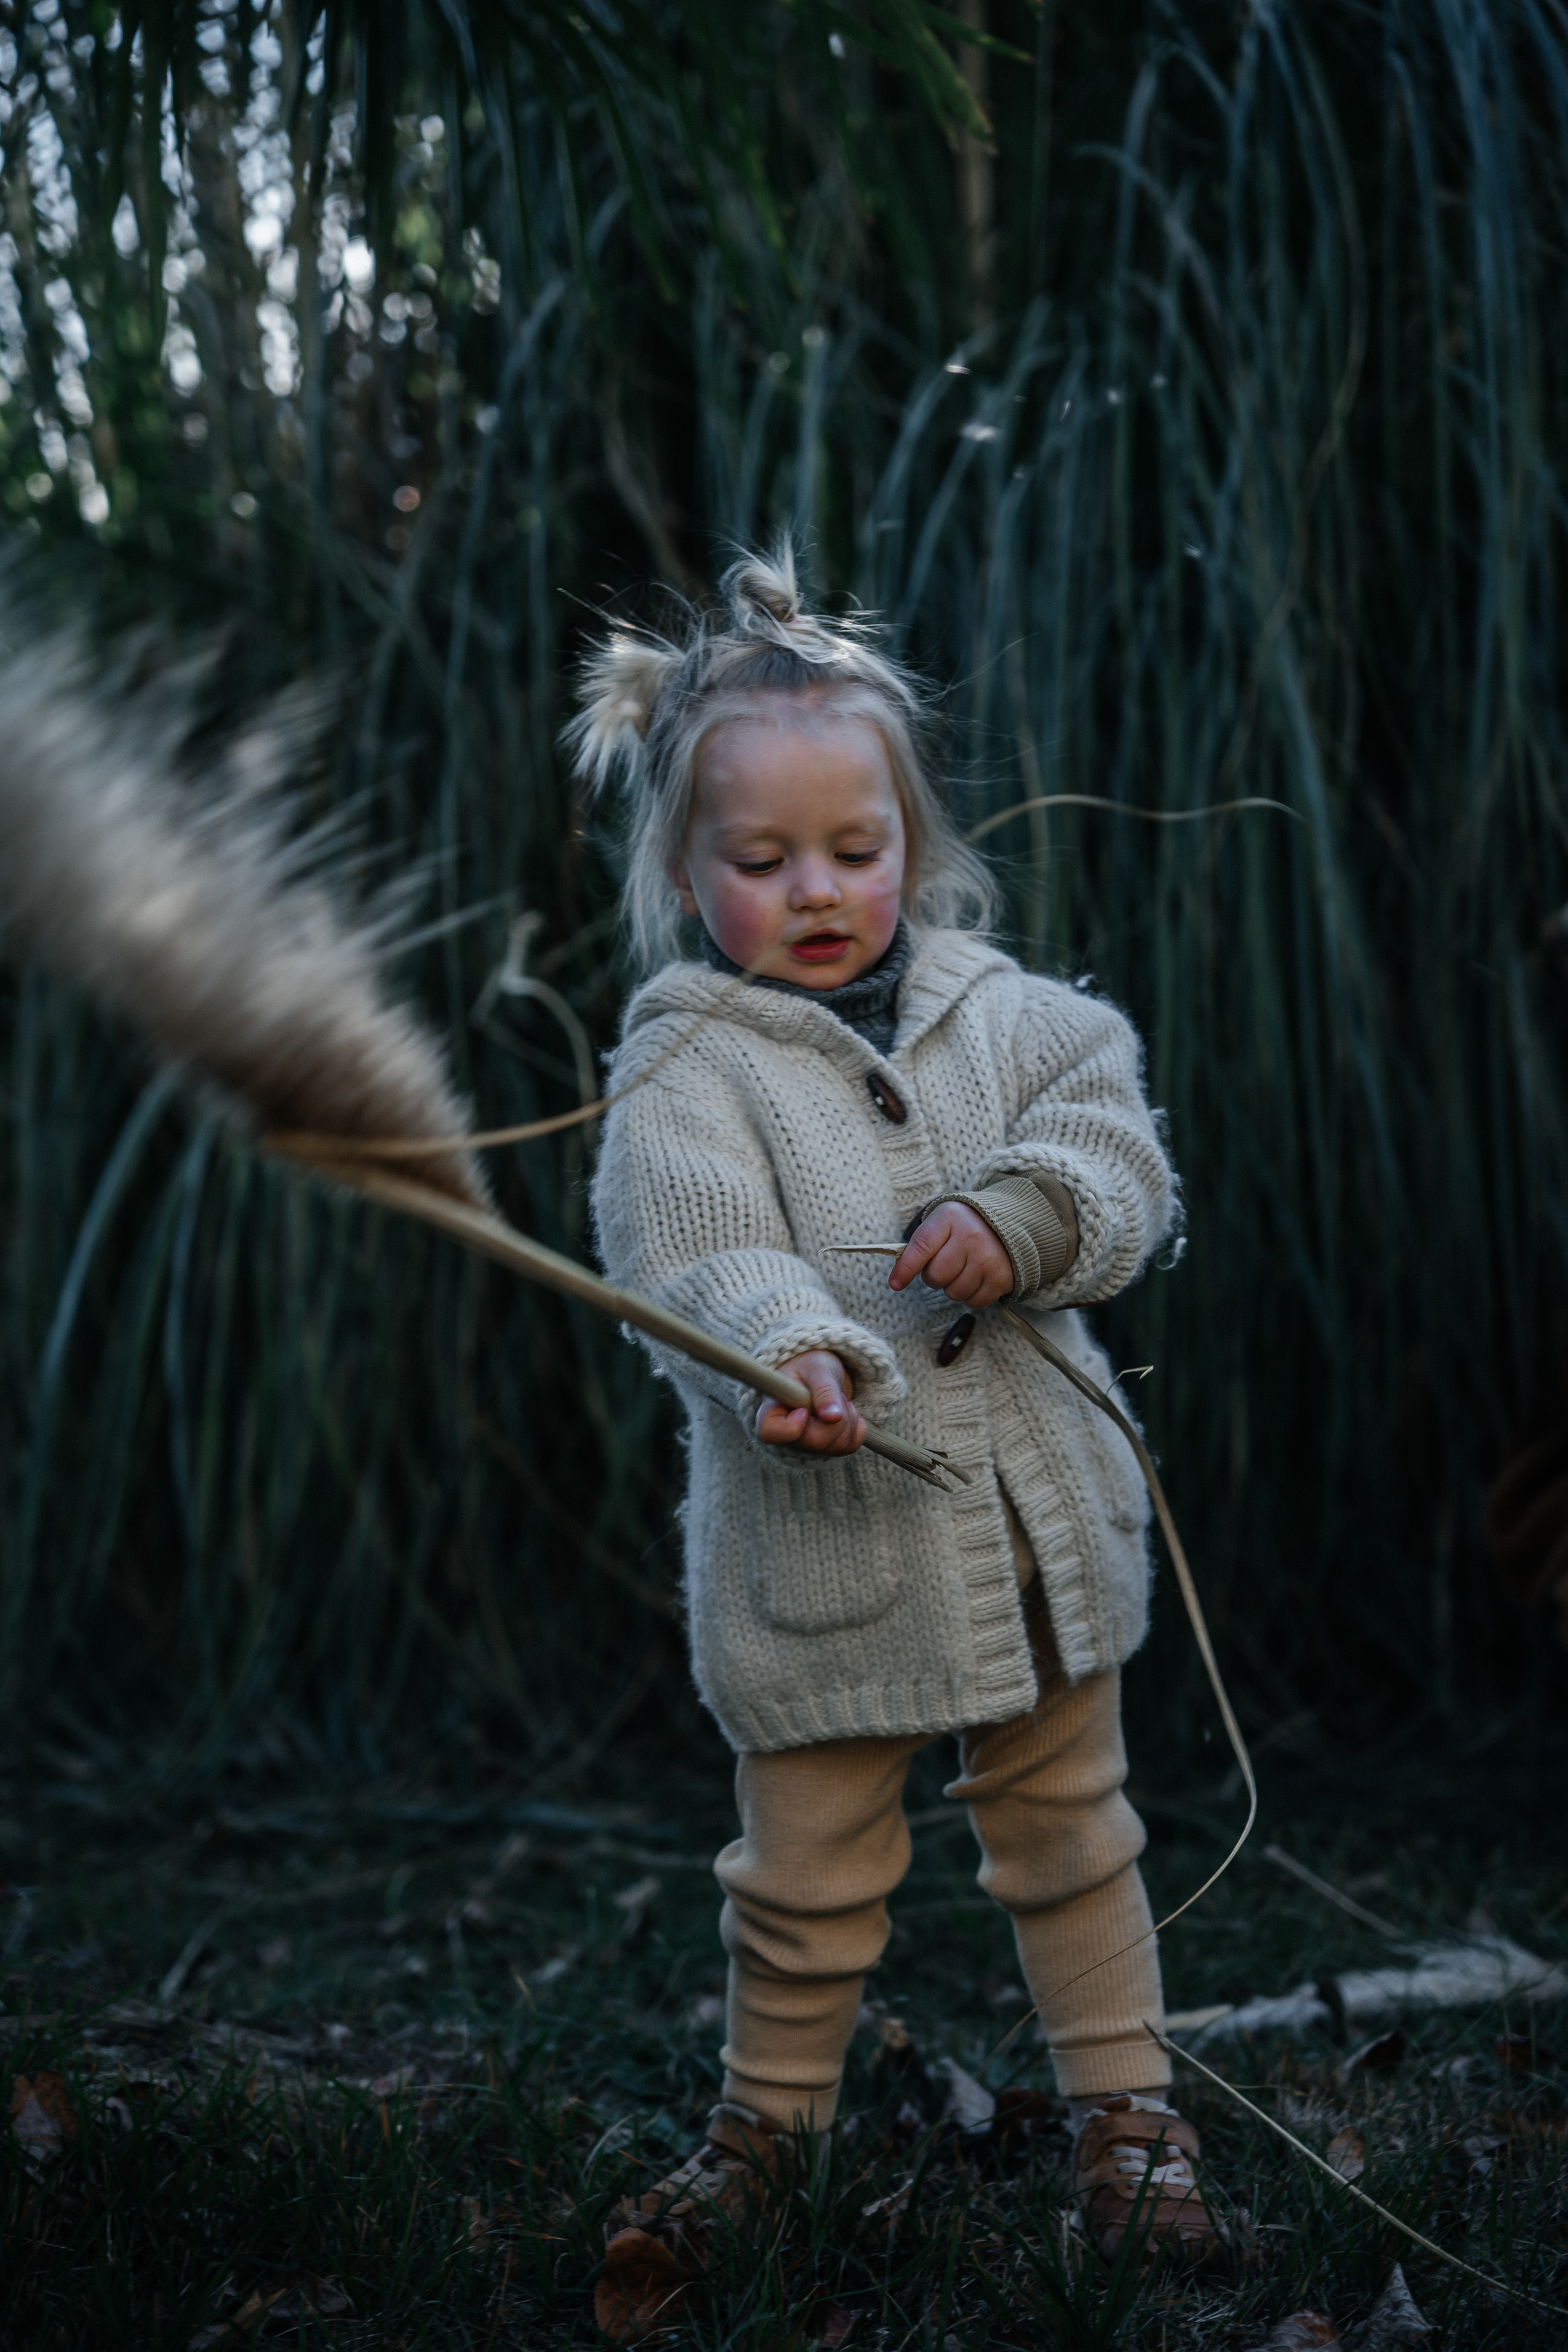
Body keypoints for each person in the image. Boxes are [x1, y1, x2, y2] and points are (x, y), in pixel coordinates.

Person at [575, 546, 1218, 2329]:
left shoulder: (1019, 1019)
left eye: (854, 852)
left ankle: (1131, 2119)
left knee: (1073, 1829)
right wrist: (789, 1345)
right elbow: (695, 1245)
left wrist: (1025, 1213)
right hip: (825, 1554)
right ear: (687, 872)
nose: (817, 891)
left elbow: (1124, 1165)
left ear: (913, 843)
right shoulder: (683, 1063)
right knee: (802, 1871)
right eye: (761, 863)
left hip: (1032, 1540)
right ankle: (766, 2139)